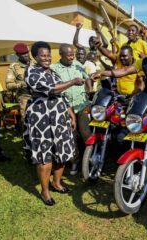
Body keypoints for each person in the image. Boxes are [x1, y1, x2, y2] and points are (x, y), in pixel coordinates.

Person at [91, 21, 147, 175]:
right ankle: (142, 157)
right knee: (140, 122)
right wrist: (103, 73)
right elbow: (125, 70)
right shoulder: (144, 61)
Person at [23, 41, 84, 206]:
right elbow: (51, 89)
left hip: (59, 116)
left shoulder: (52, 72)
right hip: (41, 117)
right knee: (45, 154)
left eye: (48, 55)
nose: (46, 58)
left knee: (62, 150)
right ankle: (45, 191)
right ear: (35, 56)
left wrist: (70, 112)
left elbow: (61, 94)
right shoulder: (31, 71)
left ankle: (57, 183)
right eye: (42, 55)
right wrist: (72, 82)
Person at [51, 43, 92, 176]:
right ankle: (75, 161)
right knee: (71, 136)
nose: (71, 58)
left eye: (72, 55)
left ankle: (90, 160)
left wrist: (89, 88)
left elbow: (87, 78)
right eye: (68, 55)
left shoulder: (78, 65)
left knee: (86, 133)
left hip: (82, 105)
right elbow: (55, 87)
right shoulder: (54, 69)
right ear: (61, 55)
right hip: (65, 107)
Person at [5, 43, 31, 124]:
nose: (26, 55)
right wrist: (20, 84)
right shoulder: (14, 67)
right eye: (23, 53)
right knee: (27, 121)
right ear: (17, 54)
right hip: (25, 98)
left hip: (38, 96)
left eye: (27, 52)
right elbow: (8, 85)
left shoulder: (35, 64)